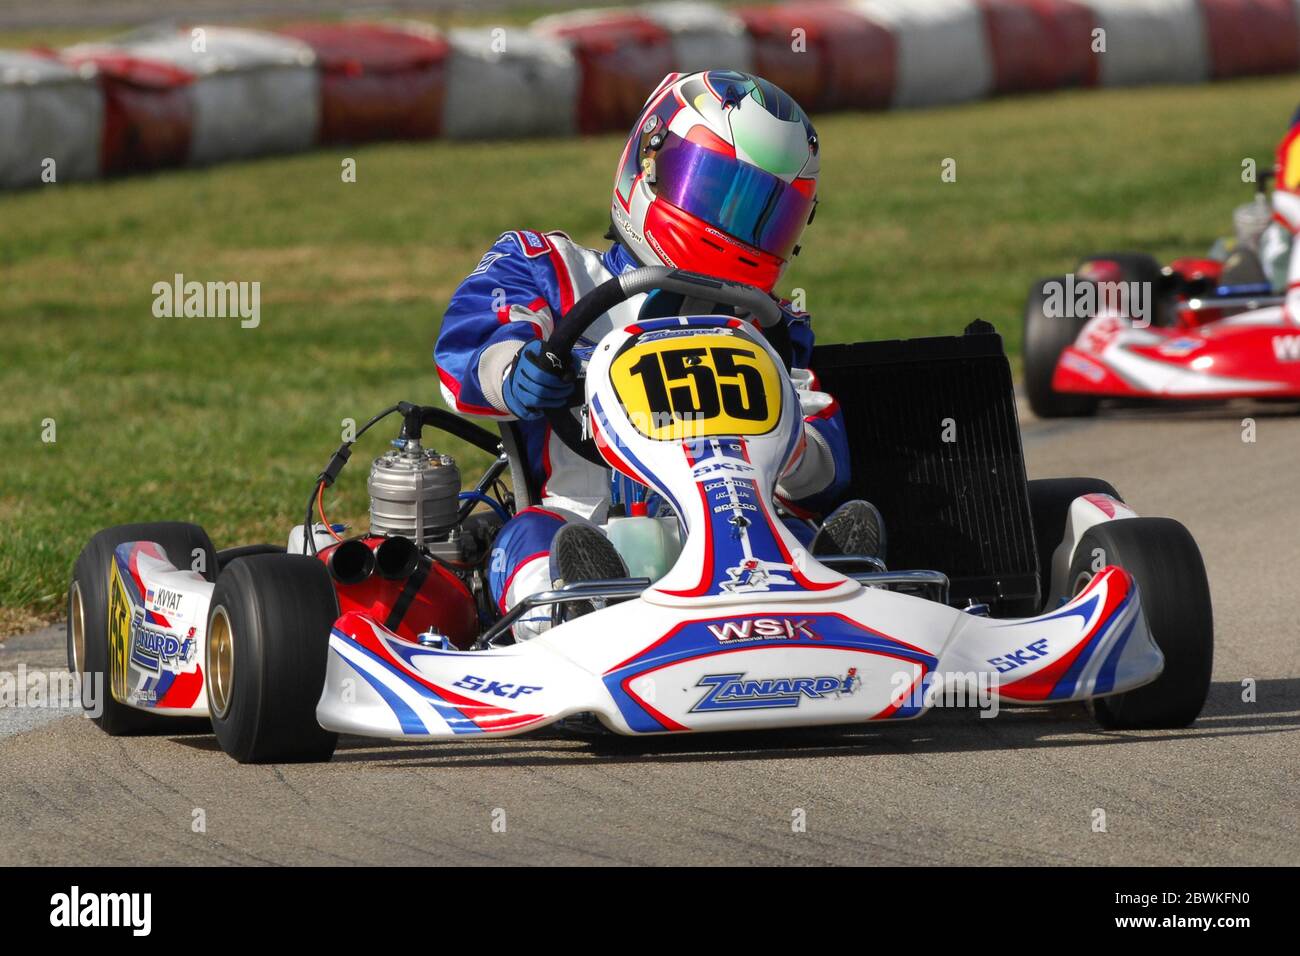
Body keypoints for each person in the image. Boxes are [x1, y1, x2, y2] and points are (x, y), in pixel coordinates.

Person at [434, 70, 880, 636]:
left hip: (741, 533)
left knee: (806, 538)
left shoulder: (766, 325)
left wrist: (787, 444)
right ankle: (577, 615)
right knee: (534, 540)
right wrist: (516, 367)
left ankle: (845, 588)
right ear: (650, 162)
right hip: (583, 520)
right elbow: (468, 348)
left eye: (766, 215)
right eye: (720, 191)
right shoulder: (550, 267)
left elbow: (827, 472)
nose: (735, 226)